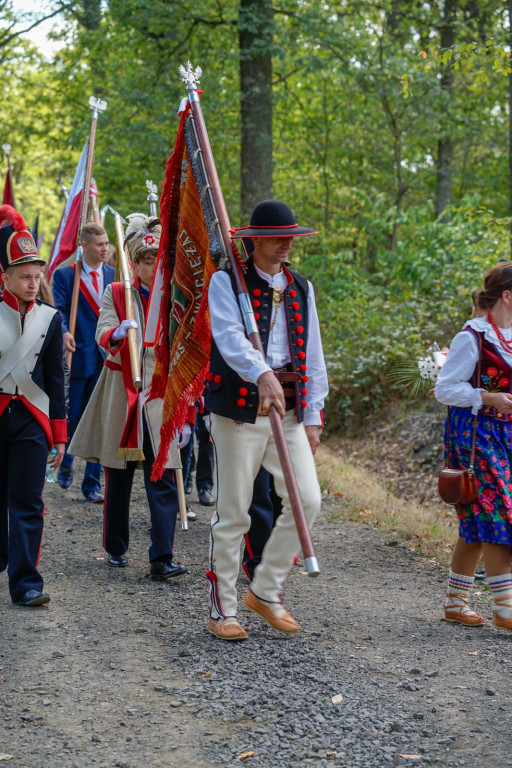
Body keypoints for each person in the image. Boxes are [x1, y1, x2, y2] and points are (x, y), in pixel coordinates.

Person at [205, 199, 328, 641]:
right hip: (240, 411)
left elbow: (312, 353)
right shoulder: (226, 282)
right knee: (234, 512)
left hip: (290, 413)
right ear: (254, 241)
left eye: (289, 238)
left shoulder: (301, 287)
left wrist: (312, 414)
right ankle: (225, 607)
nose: (285, 246)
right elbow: (229, 337)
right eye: (277, 238)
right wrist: (261, 374)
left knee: (306, 500)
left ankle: (266, 589)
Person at [69, 213, 193, 579]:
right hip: (121, 391)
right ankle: (116, 547)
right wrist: (119, 333)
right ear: (135, 263)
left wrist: (185, 411)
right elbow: (102, 331)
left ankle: (162, 556)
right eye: (147, 260)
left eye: (159, 261)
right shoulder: (117, 292)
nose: (153, 267)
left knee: (163, 474)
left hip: (158, 394)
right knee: (118, 474)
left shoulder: (174, 298)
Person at [435, 262, 512, 630]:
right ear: (507, 296)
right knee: (498, 516)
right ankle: (505, 609)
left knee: (476, 523)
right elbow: (445, 389)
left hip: (507, 437)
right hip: (475, 436)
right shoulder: (474, 337)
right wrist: (489, 397)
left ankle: (455, 602)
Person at [0, 205, 66, 606]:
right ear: (4, 275)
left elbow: (56, 382)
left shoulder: (51, 319)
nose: (32, 282)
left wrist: (59, 436)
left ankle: (26, 583)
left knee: (28, 501)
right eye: (24, 276)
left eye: (36, 275)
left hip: (32, 421)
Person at [52, 223, 115, 502]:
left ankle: (91, 484)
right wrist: (64, 330)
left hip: (106, 358)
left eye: (106, 243)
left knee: (100, 421)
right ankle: (65, 463)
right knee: (74, 417)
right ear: (85, 246)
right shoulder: (66, 275)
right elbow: (58, 310)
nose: (105, 249)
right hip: (78, 356)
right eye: (99, 244)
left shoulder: (115, 275)